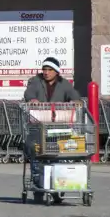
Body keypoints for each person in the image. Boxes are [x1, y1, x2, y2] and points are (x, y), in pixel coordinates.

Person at [23, 57, 82, 203]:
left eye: (50, 70)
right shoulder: (36, 82)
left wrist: (76, 101)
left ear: (56, 71)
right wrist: (33, 100)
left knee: (58, 159)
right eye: (44, 69)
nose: (46, 72)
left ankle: (57, 191)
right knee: (37, 158)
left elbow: (75, 97)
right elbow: (29, 93)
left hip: (58, 128)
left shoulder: (64, 84)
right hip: (38, 127)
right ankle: (38, 190)